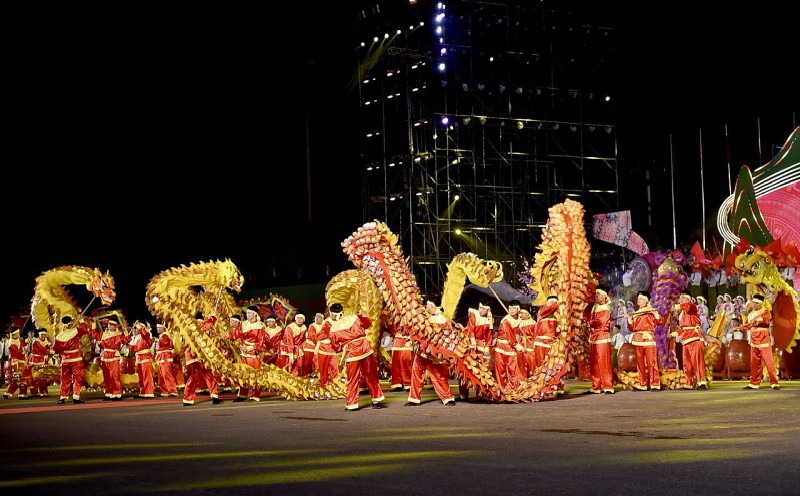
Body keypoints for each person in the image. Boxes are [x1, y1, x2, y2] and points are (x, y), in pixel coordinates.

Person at [327, 302, 385, 411]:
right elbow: (368, 323)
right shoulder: (354, 317)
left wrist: (342, 348)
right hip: (365, 347)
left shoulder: (333, 328)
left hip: (352, 352)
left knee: (353, 378)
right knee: (371, 374)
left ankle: (352, 404)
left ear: (332, 314)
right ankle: (376, 400)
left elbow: (335, 346)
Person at [405, 301, 456, 407]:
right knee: (417, 373)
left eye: (427, 305)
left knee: (437, 375)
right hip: (423, 352)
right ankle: (415, 398)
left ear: (432, 306)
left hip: (433, 353)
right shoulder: (431, 318)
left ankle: (447, 397)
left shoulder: (441, 319)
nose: (426, 306)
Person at [740, 294, 780, 390]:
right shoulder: (750, 314)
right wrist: (739, 328)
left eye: (756, 303)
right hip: (753, 340)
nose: (754, 305)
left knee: (769, 362)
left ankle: (774, 382)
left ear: (761, 304)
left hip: (763, 339)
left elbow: (766, 320)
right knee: (754, 363)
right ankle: (754, 383)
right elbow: (748, 325)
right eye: (753, 302)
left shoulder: (765, 311)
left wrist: (756, 321)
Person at [182, 313, 223, 406]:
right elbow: (206, 325)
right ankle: (214, 395)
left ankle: (188, 398)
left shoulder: (187, 325)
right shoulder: (196, 325)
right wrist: (213, 317)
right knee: (208, 375)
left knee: (194, 377)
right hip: (196, 355)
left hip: (194, 355)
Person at [227, 305, 266, 402]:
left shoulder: (260, 326)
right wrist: (227, 336)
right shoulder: (244, 324)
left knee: (254, 375)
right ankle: (242, 395)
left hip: (253, 353)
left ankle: (255, 395)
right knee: (243, 373)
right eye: (247, 313)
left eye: (249, 313)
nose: (247, 314)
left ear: (255, 314)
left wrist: (249, 347)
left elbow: (261, 342)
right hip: (244, 353)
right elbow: (236, 334)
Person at [671, 291, 708, 390]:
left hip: (694, 338)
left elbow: (687, 306)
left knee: (697, 361)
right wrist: (674, 333)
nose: (681, 300)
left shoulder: (692, 307)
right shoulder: (682, 314)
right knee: (686, 363)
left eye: (683, 298)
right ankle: (689, 382)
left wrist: (677, 306)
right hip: (686, 339)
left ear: (689, 299)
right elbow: (683, 328)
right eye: (680, 298)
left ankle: (702, 382)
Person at [458, 299, 494, 400]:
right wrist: (473, 342)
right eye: (480, 307)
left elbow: (489, 335)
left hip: (481, 344)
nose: (480, 310)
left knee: (481, 369)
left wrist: (487, 347)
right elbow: (470, 330)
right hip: (469, 341)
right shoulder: (474, 315)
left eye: (483, 308)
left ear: (488, 310)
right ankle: (463, 393)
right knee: (466, 367)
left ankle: (481, 393)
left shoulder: (489, 318)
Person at [628, 291, 664, 391]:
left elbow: (660, 322)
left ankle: (655, 384)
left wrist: (656, 314)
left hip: (648, 338)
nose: (638, 301)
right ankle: (643, 383)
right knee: (640, 363)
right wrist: (630, 319)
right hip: (638, 338)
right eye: (638, 299)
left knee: (651, 362)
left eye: (640, 299)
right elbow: (632, 328)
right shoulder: (636, 313)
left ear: (645, 300)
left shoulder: (651, 311)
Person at [91, 319, 132, 401]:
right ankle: (109, 393)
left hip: (114, 355)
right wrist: (94, 323)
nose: (110, 326)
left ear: (115, 326)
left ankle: (117, 394)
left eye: (112, 325)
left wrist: (125, 330)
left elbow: (127, 340)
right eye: (109, 324)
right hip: (105, 356)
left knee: (114, 375)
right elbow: (94, 334)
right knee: (106, 376)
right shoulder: (103, 334)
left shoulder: (119, 334)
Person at [52, 316, 90, 404]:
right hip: (76, 358)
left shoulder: (59, 336)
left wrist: (63, 352)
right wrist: (81, 320)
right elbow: (84, 330)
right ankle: (76, 397)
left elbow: (56, 349)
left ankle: (63, 397)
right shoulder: (75, 331)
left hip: (65, 359)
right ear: (70, 323)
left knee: (65, 378)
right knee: (77, 378)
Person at [586, 285, 615, 394]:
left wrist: (589, 323)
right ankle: (596, 385)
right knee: (594, 363)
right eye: (596, 294)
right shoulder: (594, 306)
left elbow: (601, 323)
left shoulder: (606, 308)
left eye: (598, 294)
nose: (596, 296)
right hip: (593, 337)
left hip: (602, 336)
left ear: (604, 295)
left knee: (604, 362)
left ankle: (607, 385)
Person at [493, 300, 525, 391]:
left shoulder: (519, 319)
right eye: (510, 308)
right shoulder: (506, 321)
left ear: (518, 309)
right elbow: (510, 337)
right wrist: (518, 346)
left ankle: (514, 389)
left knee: (513, 369)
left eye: (514, 308)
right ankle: (502, 389)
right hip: (502, 347)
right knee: (501, 370)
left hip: (511, 347)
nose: (511, 310)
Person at [128, 321, 156, 398]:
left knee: (147, 375)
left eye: (137, 329)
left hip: (146, 357)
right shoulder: (137, 338)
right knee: (141, 376)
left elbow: (145, 336)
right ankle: (143, 391)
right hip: (139, 358)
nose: (135, 330)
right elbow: (135, 348)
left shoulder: (147, 335)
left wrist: (139, 326)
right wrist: (129, 345)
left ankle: (149, 392)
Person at [3, 328, 32, 400]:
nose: (19, 335)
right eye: (17, 333)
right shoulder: (11, 343)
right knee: (18, 378)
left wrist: (28, 339)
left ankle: (20, 394)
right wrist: (23, 353)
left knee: (22, 379)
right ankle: (10, 392)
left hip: (21, 362)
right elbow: (17, 353)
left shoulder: (18, 340)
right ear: (13, 334)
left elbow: (24, 342)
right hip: (16, 363)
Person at [154, 323, 179, 397]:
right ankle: (165, 390)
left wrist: (158, 340)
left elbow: (165, 343)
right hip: (162, 356)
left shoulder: (165, 336)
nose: (157, 329)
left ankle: (172, 390)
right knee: (161, 375)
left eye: (159, 328)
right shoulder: (162, 336)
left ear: (163, 329)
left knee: (167, 374)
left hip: (166, 357)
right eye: (157, 328)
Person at [27, 329, 52, 397]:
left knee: (42, 377)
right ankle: (34, 392)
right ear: (39, 334)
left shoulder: (46, 341)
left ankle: (43, 391)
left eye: (44, 334)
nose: (43, 336)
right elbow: (43, 350)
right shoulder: (36, 341)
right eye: (42, 334)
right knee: (35, 377)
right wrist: (49, 350)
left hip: (42, 360)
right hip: (35, 360)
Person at [390, 322, 413, 392]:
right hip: (396, 341)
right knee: (395, 365)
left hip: (406, 341)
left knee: (406, 364)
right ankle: (397, 384)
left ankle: (408, 384)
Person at [517, 306, 537, 378]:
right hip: (521, 343)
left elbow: (535, 334)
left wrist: (533, 344)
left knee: (531, 361)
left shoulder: (533, 323)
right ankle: (522, 377)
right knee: (521, 361)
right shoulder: (519, 323)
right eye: (520, 313)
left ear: (527, 314)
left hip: (530, 343)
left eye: (523, 313)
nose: (521, 315)